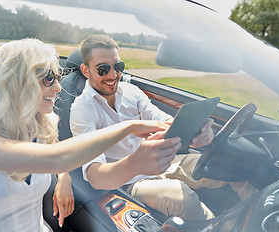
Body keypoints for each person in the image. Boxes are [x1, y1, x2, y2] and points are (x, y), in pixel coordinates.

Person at [0, 38, 170, 232]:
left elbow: (54, 153)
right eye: (48, 78)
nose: (58, 88)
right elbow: (54, 158)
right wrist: (129, 127)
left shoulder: (39, 125)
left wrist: (64, 178)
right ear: (18, 81)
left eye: (57, 78)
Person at [70, 34, 256, 221]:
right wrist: (135, 163)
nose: (112, 75)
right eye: (103, 69)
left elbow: (163, 120)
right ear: (86, 71)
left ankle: (255, 221)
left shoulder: (131, 92)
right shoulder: (82, 110)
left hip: (162, 163)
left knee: (229, 165)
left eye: (118, 67)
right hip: (129, 181)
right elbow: (95, 177)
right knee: (181, 197)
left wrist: (195, 129)